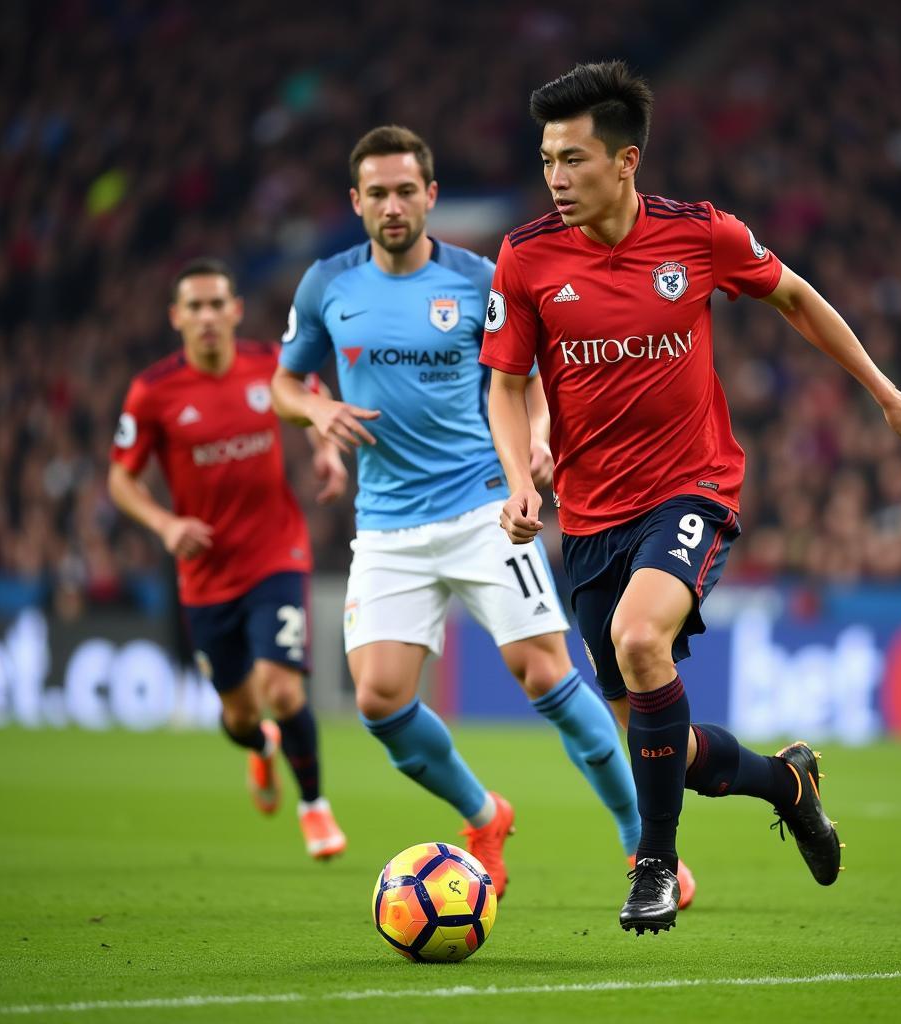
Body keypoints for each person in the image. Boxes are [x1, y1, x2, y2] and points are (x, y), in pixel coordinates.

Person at [481, 61, 901, 933]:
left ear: (626, 161)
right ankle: (787, 781)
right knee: (662, 746)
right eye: (547, 160)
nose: (555, 178)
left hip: (693, 485)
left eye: (573, 159)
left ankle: (654, 867)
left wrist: (886, 393)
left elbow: (797, 300)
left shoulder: (702, 236)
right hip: (588, 518)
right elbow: (505, 386)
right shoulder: (527, 256)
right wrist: (520, 474)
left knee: (638, 637)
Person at [270, 124, 695, 904]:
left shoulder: (480, 280)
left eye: (406, 191)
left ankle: (645, 844)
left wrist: (536, 441)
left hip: (480, 509)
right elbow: (284, 383)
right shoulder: (326, 285)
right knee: (378, 700)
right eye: (377, 193)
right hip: (388, 524)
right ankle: (483, 813)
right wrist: (313, 414)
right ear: (355, 202)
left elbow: (530, 378)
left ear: (430, 197)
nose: (392, 205)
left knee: (548, 677)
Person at [108, 257, 348, 860]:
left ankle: (314, 806)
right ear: (177, 318)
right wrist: (165, 524)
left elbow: (312, 398)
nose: (209, 316)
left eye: (219, 304)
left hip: (275, 553)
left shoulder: (270, 365)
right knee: (241, 715)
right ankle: (261, 748)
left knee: (285, 691)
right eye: (196, 306)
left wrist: (324, 450)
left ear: (236, 310)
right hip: (205, 574)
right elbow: (120, 480)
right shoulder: (154, 392)